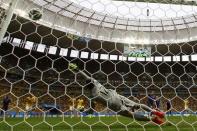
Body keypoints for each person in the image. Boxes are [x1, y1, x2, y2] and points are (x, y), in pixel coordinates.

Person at [68, 63, 165, 125]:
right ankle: (155, 112)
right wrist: (77, 70)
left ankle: (153, 119)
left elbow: (91, 111)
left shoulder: (93, 95)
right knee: (137, 105)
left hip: (113, 104)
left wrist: (83, 111)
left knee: (132, 115)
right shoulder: (96, 82)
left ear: (87, 88)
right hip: (116, 95)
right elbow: (87, 78)